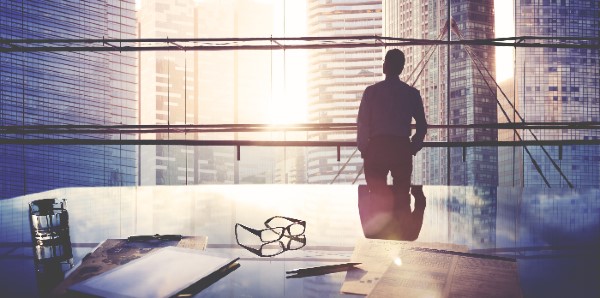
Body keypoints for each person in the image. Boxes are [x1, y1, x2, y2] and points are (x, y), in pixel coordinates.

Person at [357, 49, 427, 223]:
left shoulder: (371, 92)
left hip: (377, 147)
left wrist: (364, 148)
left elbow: (363, 123)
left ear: (385, 66)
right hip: (401, 147)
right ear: (402, 68)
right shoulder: (412, 94)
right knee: (402, 192)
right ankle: (397, 222)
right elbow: (422, 125)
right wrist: (414, 146)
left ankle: (382, 222)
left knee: (378, 193)